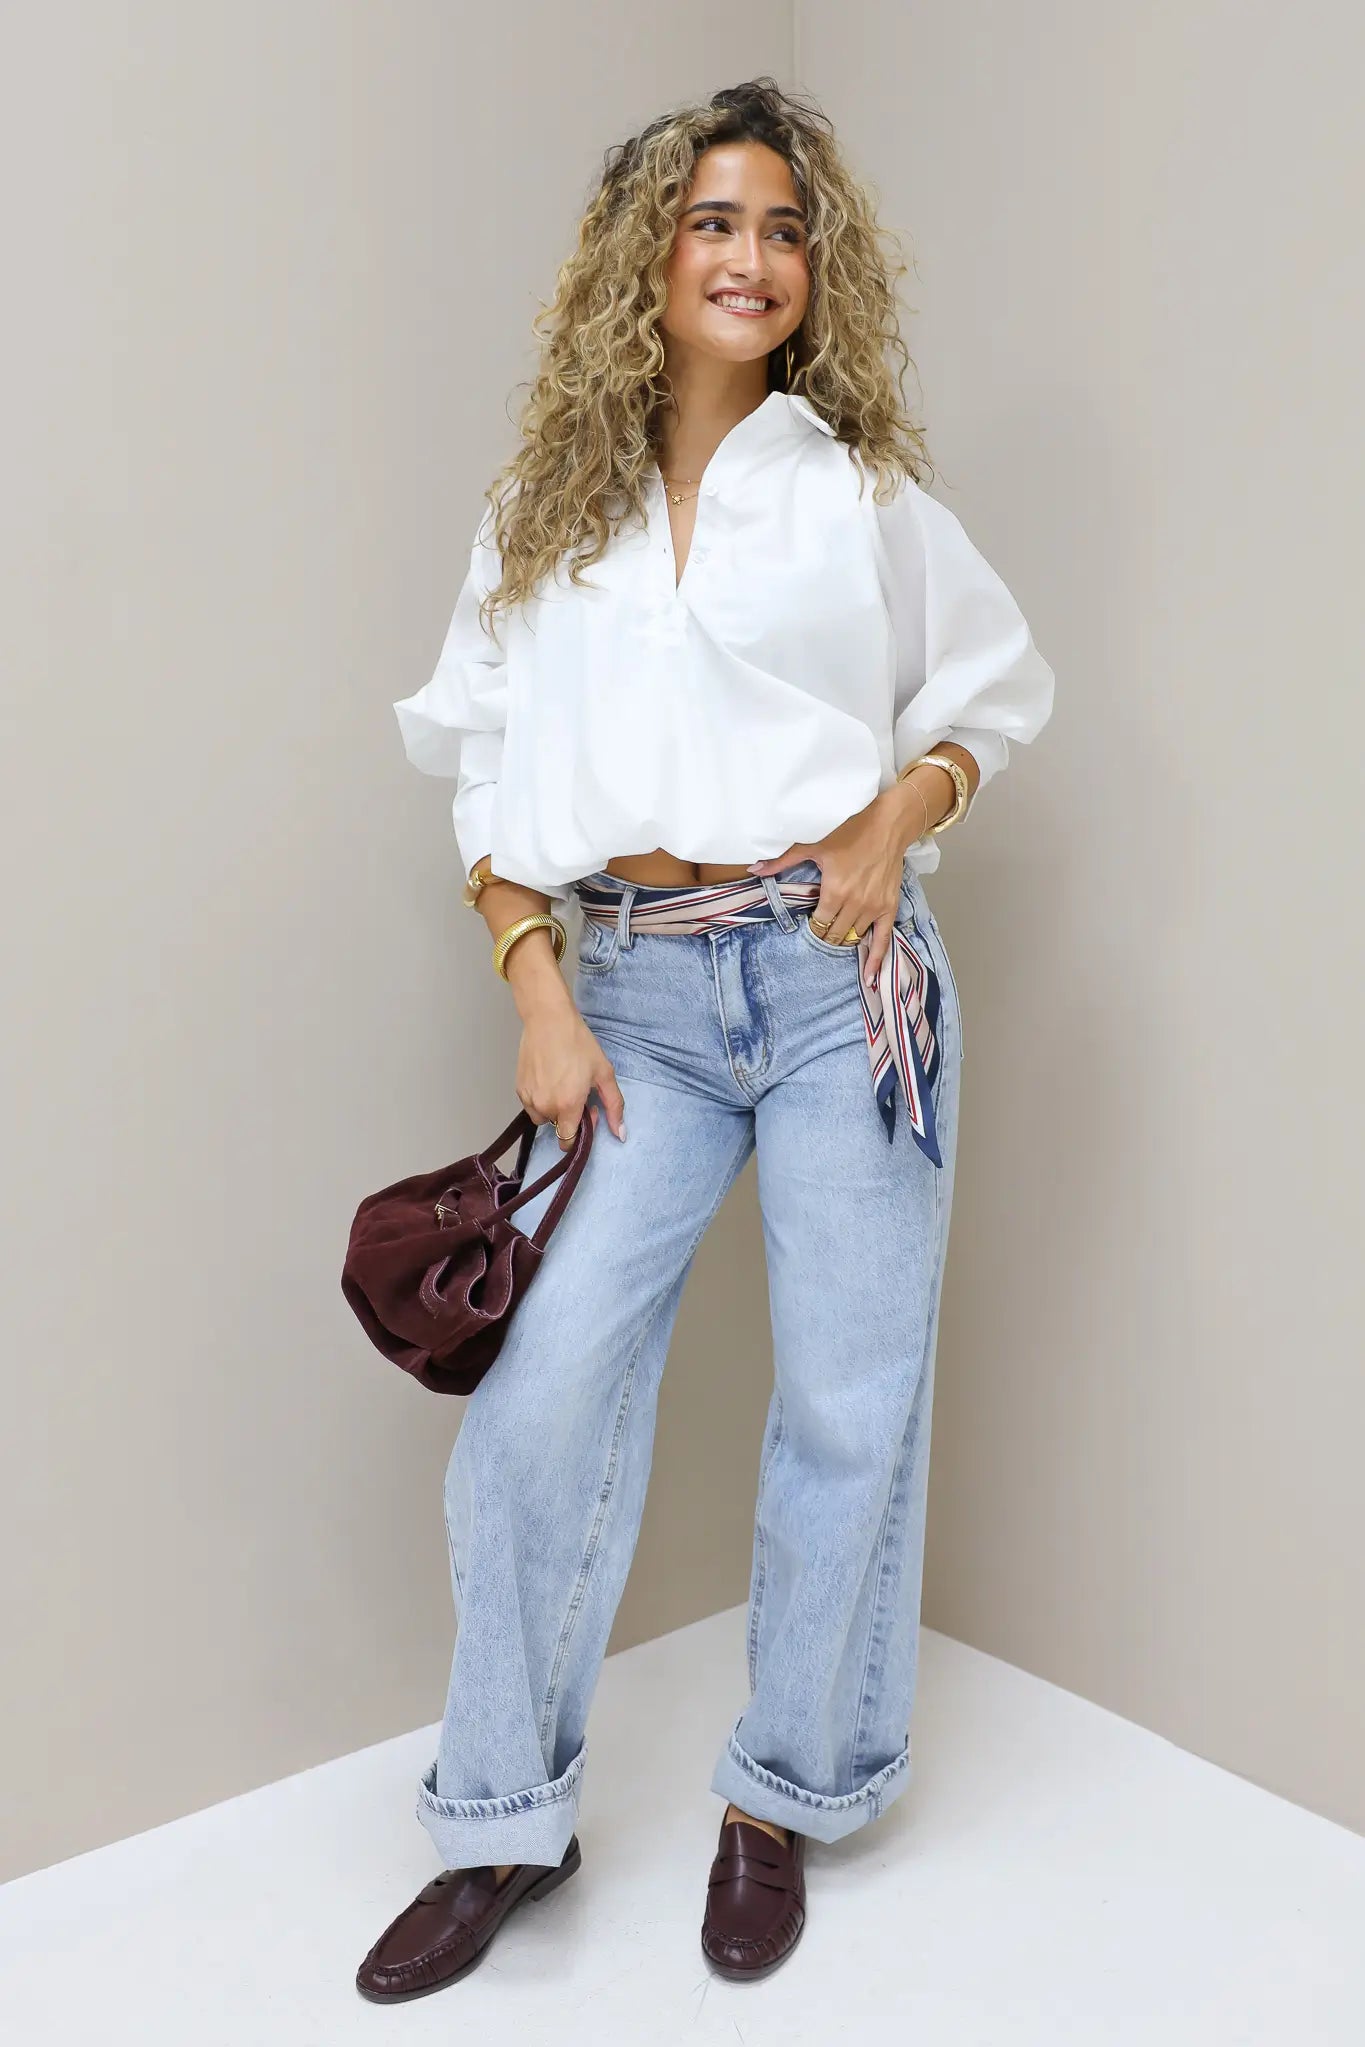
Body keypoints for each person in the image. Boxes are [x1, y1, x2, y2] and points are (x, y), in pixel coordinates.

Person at [356, 76, 1054, 1999]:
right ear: (645, 253)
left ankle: (784, 1795)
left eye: (785, 230)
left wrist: (887, 825)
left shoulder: (856, 492)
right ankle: (503, 1820)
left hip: (842, 992)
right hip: (639, 1004)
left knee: (846, 1402)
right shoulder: (542, 513)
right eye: (716, 221)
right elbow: (482, 778)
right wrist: (539, 993)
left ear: (818, 272)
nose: (753, 258)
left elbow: (992, 695)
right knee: (539, 1407)